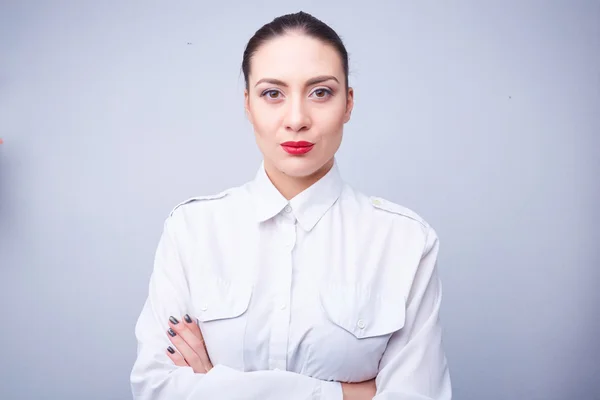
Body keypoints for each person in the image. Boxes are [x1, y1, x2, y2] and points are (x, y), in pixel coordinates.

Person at [130, 11, 452, 400]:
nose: (297, 119)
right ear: (248, 104)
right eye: (272, 94)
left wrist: (216, 382)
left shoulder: (405, 241)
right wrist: (346, 394)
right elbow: (156, 388)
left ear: (348, 104)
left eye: (321, 92)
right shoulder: (192, 230)